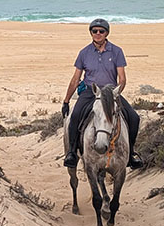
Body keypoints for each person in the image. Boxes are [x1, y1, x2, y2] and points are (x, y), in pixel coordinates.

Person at [61, 18, 144, 169]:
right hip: (89, 91)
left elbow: (122, 78)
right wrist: (66, 101)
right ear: (91, 33)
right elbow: (75, 79)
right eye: (94, 31)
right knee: (75, 116)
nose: (98, 34)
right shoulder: (84, 53)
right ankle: (72, 153)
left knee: (134, 117)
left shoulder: (117, 51)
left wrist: (116, 92)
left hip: (111, 92)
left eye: (101, 31)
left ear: (107, 33)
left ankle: (131, 153)